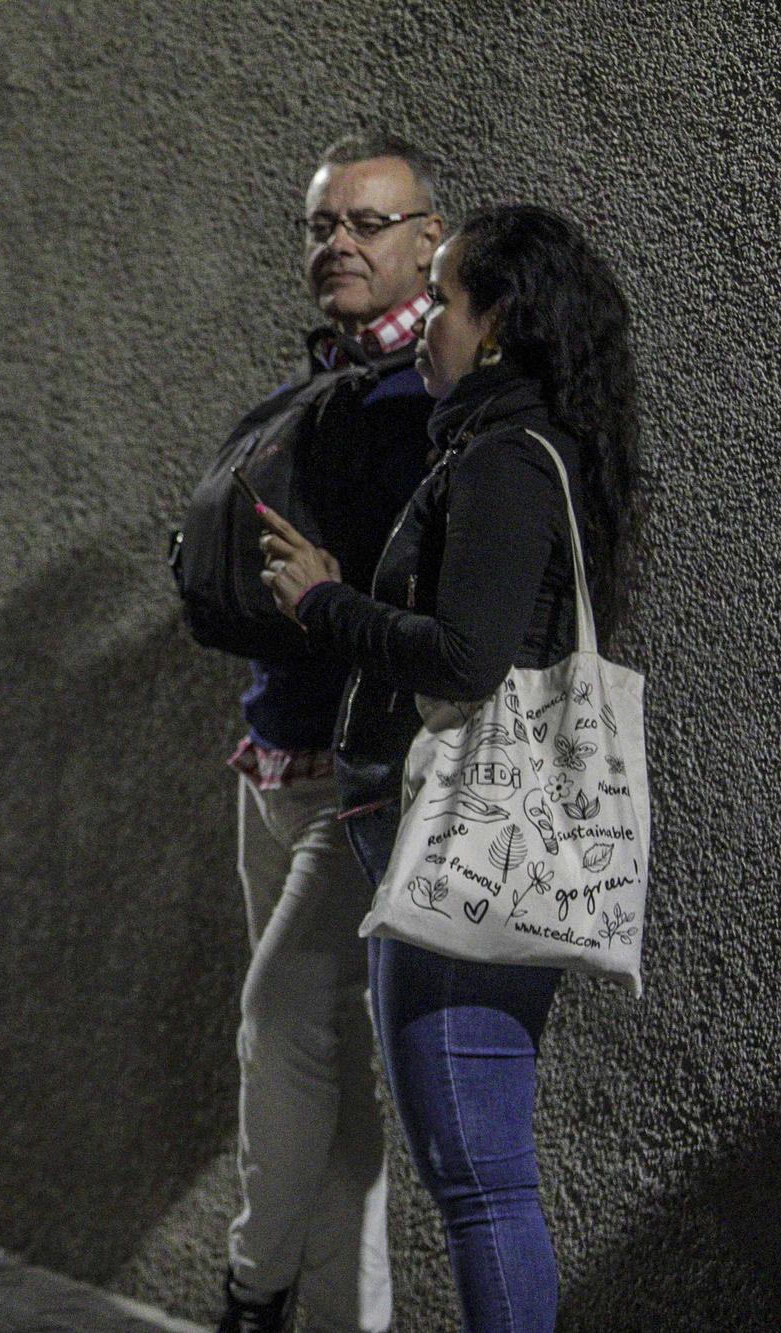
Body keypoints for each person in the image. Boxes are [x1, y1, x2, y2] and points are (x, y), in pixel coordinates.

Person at [259, 203, 643, 1332]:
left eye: (444, 296)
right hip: (456, 836)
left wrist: (327, 604)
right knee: (479, 1174)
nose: (423, 320)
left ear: (497, 322)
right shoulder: (518, 449)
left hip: (463, 844)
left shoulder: (505, 463)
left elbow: (468, 660)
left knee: (478, 1180)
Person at [207, 131, 443, 1333]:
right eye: (320, 227)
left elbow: (437, 612)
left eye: (365, 223)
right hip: (271, 761)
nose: (337, 244)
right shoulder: (324, 383)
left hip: (364, 782)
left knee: (277, 1019)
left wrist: (326, 590)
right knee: (329, 1085)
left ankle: (249, 1293)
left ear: (427, 241)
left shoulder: (435, 402)